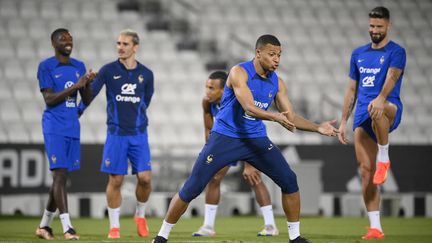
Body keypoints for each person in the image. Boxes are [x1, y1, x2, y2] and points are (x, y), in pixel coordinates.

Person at [152, 34, 339, 243]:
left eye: (279, 55)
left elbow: (291, 117)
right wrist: (274, 117)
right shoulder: (238, 72)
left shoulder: (277, 82)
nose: (277, 59)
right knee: (192, 188)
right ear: (258, 53)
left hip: (255, 139)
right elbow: (249, 106)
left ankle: (295, 238)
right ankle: (161, 237)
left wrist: (317, 128)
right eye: (271, 54)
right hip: (225, 137)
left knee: (289, 180)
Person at [337, 6, 406, 240]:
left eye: (379, 26)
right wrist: (343, 121)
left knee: (376, 109)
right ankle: (375, 227)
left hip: (389, 107)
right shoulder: (358, 54)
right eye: (372, 26)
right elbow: (351, 89)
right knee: (365, 172)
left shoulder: (396, 51)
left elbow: (393, 76)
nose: (374, 30)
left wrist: (380, 98)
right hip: (362, 116)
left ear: (388, 26)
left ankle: (384, 156)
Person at [80, 29, 154, 239]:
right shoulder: (107, 70)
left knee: (146, 179)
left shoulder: (147, 74)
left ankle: (140, 215)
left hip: (139, 134)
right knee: (116, 181)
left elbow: (146, 100)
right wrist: (77, 108)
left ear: (135, 47)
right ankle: (114, 227)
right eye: (118, 43)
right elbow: (89, 96)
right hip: (116, 134)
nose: (120, 47)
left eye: (125, 44)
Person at [192, 71, 278, 237]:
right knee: (214, 176)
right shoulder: (207, 103)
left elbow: (251, 129)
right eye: (206, 87)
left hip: (251, 139)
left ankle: (270, 226)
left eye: (211, 88)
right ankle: (208, 227)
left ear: (223, 89)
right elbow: (209, 128)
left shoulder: (238, 102)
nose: (207, 92)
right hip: (228, 141)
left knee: (253, 177)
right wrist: (210, 151)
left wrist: (249, 164)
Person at [35, 28, 96, 240]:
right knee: (59, 175)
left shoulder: (78, 66)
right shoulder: (46, 66)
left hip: (72, 126)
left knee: (61, 177)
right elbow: (49, 99)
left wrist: (87, 83)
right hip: (54, 126)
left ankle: (44, 226)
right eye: (63, 38)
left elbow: (86, 99)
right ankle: (68, 227)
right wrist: (76, 86)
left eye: (70, 38)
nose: (68, 41)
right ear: (54, 43)